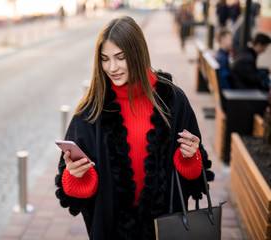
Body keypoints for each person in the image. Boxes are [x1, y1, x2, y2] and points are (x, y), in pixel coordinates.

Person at [55, 16, 214, 239]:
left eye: (121, 58)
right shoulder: (92, 109)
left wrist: (190, 157)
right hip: (112, 230)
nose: (112, 67)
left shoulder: (173, 101)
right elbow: (73, 190)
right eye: (105, 59)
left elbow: (194, 177)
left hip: (165, 228)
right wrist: (75, 176)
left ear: (138, 54)